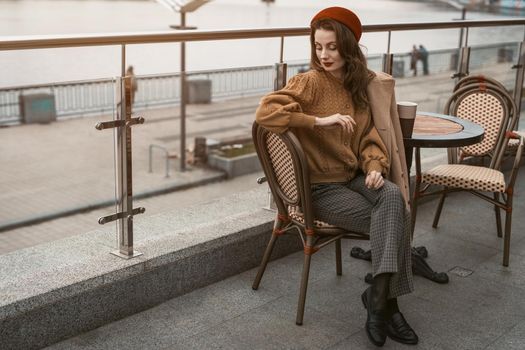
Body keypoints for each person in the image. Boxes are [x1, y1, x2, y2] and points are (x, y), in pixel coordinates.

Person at [255, 7, 418, 347]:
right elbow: (266, 113)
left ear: (347, 47)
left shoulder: (358, 88)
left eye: (331, 47)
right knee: (396, 215)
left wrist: (374, 167)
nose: (324, 55)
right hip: (321, 190)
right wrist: (319, 121)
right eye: (318, 47)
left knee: (391, 196)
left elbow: (370, 138)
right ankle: (387, 304)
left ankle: (378, 297)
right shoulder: (310, 82)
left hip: (354, 178)